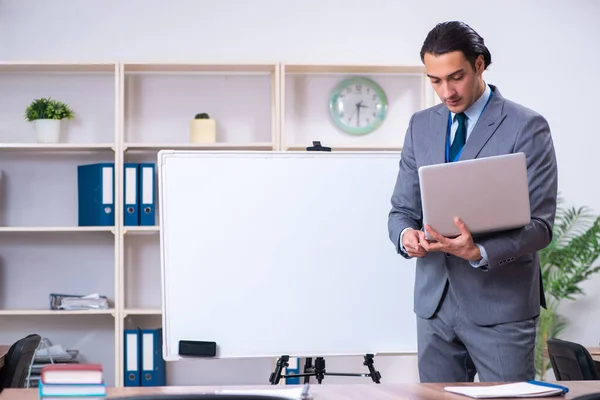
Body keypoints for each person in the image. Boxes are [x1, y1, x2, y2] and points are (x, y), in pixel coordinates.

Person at [387, 21, 558, 383]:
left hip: (501, 308)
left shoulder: (526, 126)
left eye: (456, 77)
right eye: (435, 80)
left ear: (479, 65)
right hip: (434, 308)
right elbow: (401, 210)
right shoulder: (421, 125)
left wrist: (478, 250)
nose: (446, 91)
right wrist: (406, 236)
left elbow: (540, 228)